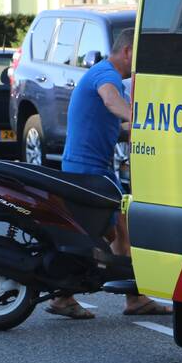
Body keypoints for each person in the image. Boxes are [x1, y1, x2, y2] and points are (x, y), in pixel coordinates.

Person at [44, 28, 171, 319]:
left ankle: (125, 296)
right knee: (101, 230)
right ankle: (71, 294)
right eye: (137, 56)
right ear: (127, 52)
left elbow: (111, 128)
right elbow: (111, 101)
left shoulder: (102, 72)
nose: (138, 64)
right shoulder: (107, 76)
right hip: (88, 169)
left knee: (113, 228)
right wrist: (141, 120)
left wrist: (142, 132)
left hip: (90, 167)